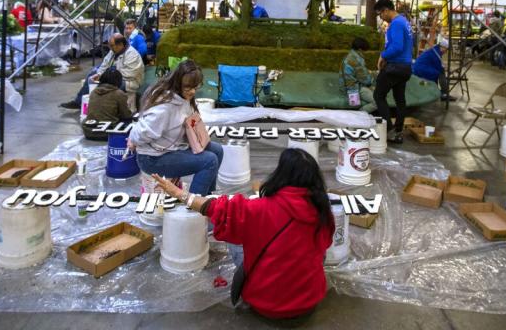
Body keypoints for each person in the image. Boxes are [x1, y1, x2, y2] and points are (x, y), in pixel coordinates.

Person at [150, 147, 334, 319]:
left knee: (234, 230)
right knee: (315, 246)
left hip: (264, 304)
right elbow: (324, 245)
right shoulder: (323, 211)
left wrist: (177, 192)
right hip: (308, 303)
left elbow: (213, 208)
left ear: (281, 174)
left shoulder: (257, 210)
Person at [128, 60, 224, 196]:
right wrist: (132, 140)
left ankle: (208, 196)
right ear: (178, 83)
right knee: (209, 161)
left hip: (172, 147)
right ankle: (194, 206)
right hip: (153, 158)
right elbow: (140, 133)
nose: (193, 91)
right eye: (189, 87)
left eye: (196, 87)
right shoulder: (164, 108)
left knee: (217, 150)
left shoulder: (183, 97)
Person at [60, 34, 143, 111]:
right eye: (110, 45)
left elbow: (129, 75)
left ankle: (100, 108)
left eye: (112, 46)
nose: (110, 48)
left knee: (105, 86)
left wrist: (106, 76)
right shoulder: (114, 51)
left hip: (129, 82)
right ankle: (78, 102)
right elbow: (105, 64)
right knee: (92, 74)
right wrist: (99, 74)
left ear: (120, 45)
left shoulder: (133, 55)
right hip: (113, 76)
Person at [372, 0, 413, 143]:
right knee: (400, 100)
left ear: (386, 10)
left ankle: (388, 130)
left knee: (378, 95)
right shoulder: (404, 22)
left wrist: (382, 56)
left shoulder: (396, 24)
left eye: (380, 14)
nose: (381, 17)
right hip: (405, 68)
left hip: (395, 67)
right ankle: (398, 131)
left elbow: (397, 47)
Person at [340, 37, 376, 111]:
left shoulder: (349, 56)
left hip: (347, 86)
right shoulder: (356, 60)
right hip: (354, 88)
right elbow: (367, 80)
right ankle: (359, 115)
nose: (365, 52)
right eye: (364, 51)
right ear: (360, 49)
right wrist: (374, 75)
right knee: (378, 101)